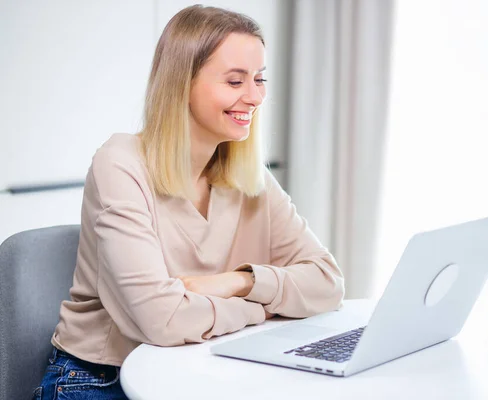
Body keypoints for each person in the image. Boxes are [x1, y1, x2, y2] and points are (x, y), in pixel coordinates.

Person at [34, 5, 344, 399]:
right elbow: (161, 320)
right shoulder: (121, 162)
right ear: (182, 84)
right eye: (235, 81)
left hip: (201, 367)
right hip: (101, 379)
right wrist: (263, 307)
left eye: (259, 79)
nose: (255, 97)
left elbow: (328, 284)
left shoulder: (248, 177)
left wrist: (239, 281)